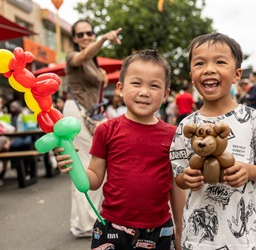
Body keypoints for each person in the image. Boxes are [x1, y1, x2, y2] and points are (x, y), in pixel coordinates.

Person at [55, 50, 186, 249]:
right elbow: (95, 180)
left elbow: (176, 186)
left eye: (154, 85)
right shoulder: (106, 130)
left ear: (166, 94)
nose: (144, 91)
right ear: (121, 88)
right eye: (136, 83)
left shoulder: (174, 134)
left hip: (159, 230)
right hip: (112, 229)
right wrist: (73, 164)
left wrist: (181, 230)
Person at [170, 32, 256, 250]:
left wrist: (248, 170)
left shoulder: (253, 119)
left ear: (237, 74)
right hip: (197, 236)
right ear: (192, 75)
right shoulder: (186, 126)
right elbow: (178, 177)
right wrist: (187, 178)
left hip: (243, 238)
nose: (209, 68)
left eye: (220, 61)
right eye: (200, 63)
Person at [63, 19, 123, 237]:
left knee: (93, 166)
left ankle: (85, 220)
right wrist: (104, 38)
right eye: (80, 34)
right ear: (74, 39)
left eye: (89, 33)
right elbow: (83, 55)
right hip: (76, 115)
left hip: (89, 116)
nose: (85, 37)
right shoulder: (73, 57)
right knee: (87, 168)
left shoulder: (94, 63)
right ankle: (85, 224)